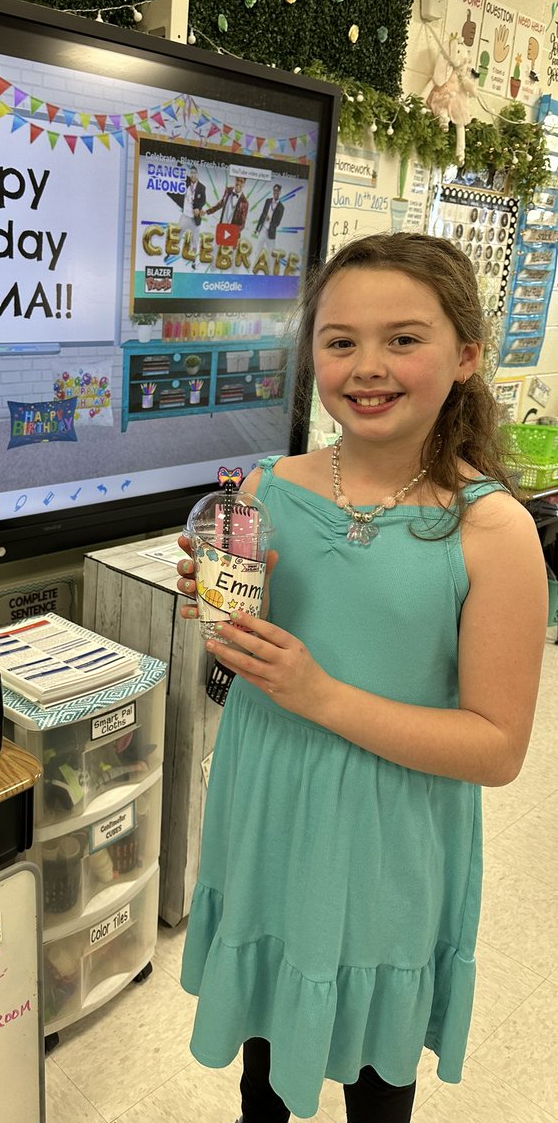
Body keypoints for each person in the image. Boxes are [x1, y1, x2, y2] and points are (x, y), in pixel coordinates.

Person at [175, 232, 546, 1122]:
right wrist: (228, 616)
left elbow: (497, 749)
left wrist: (321, 694)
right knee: (264, 1059)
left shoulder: (491, 531)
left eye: (403, 339)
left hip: (390, 833)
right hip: (270, 807)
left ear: (466, 355)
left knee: (379, 1076)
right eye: (340, 341)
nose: (367, 367)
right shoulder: (265, 488)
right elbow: (249, 648)